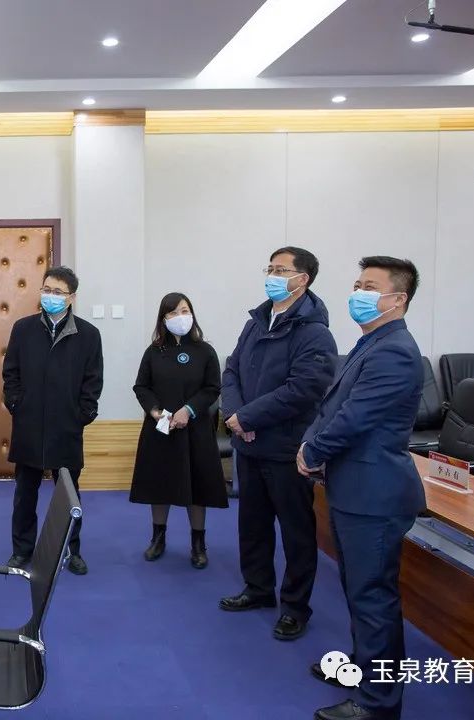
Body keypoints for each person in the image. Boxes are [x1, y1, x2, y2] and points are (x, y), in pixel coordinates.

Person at [299, 257, 425, 720]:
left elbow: (357, 416)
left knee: (373, 597)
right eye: (357, 284)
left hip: (375, 493)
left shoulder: (395, 351)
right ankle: (363, 668)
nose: (358, 293)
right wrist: (311, 443)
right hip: (354, 487)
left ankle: (378, 703)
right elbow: (333, 406)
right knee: (358, 589)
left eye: (369, 286)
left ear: (398, 299)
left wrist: (313, 450)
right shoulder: (372, 342)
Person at [219, 247, 336, 642]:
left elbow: (303, 390)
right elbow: (232, 370)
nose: (271, 275)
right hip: (248, 444)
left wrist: (248, 418)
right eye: (269, 268)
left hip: (286, 449)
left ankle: (295, 607)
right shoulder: (256, 322)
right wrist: (236, 416)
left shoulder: (314, 332)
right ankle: (257, 588)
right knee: (252, 524)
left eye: (280, 269)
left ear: (302, 279)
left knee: (296, 532)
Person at [2, 266, 103, 575]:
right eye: (46, 290)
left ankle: (72, 550)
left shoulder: (88, 335)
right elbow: (11, 373)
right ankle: (22, 550)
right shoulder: (23, 329)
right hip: (29, 425)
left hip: (66, 427)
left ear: (71, 297)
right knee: (25, 494)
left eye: (58, 292)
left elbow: (93, 381)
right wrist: (17, 404)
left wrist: (82, 415)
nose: (50, 296)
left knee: (69, 495)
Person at [129, 293, 225, 569]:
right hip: (160, 429)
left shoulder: (205, 351)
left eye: (184, 310)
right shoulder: (154, 351)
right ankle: (158, 538)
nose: (179, 317)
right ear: (163, 319)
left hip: (196, 430)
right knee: (159, 485)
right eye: (172, 313)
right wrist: (155, 411)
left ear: (192, 313)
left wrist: (188, 410)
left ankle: (198, 543)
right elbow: (141, 387)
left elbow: (212, 388)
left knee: (197, 486)